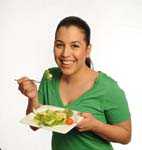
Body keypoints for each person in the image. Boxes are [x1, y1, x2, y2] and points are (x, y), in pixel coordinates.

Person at [17, 16, 131, 150]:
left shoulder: (107, 87)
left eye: (75, 46)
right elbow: (34, 125)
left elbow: (125, 136)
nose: (65, 53)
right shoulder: (49, 77)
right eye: (59, 45)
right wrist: (33, 97)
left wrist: (95, 125)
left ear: (87, 50)